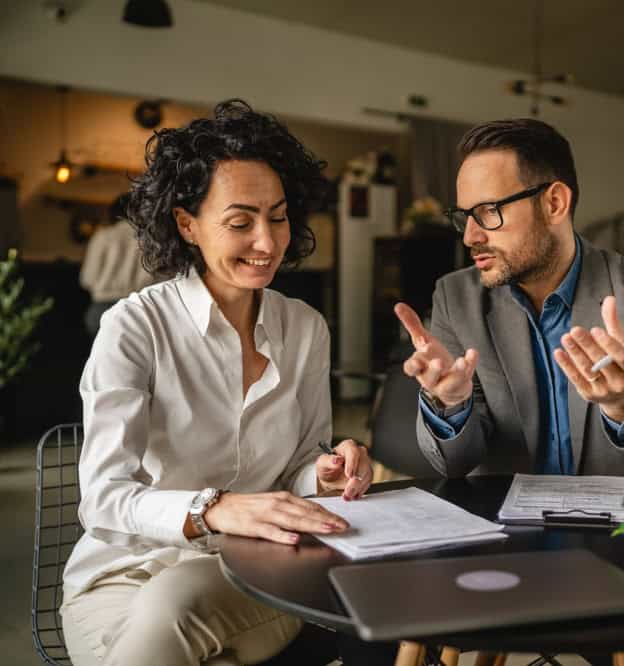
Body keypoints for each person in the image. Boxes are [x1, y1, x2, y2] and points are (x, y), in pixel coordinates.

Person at [60, 100, 396, 666]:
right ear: (187, 224)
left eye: (279, 216)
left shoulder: (305, 328)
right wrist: (213, 509)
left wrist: (326, 470)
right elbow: (103, 498)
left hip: (257, 572)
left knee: (175, 604)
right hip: (120, 577)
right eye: (240, 222)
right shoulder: (135, 327)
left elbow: (299, 467)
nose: (268, 243)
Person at [393, 118, 624, 665]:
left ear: (555, 202)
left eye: (488, 213)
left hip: (621, 552)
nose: (470, 235)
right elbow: (454, 463)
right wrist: (449, 406)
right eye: (463, 216)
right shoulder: (456, 298)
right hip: (498, 547)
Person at [79, 193, 156, 336]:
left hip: (100, 310)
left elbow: (87, 278)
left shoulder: (102, 236)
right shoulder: (148, 239)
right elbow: (153, 279)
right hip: (136, 310)